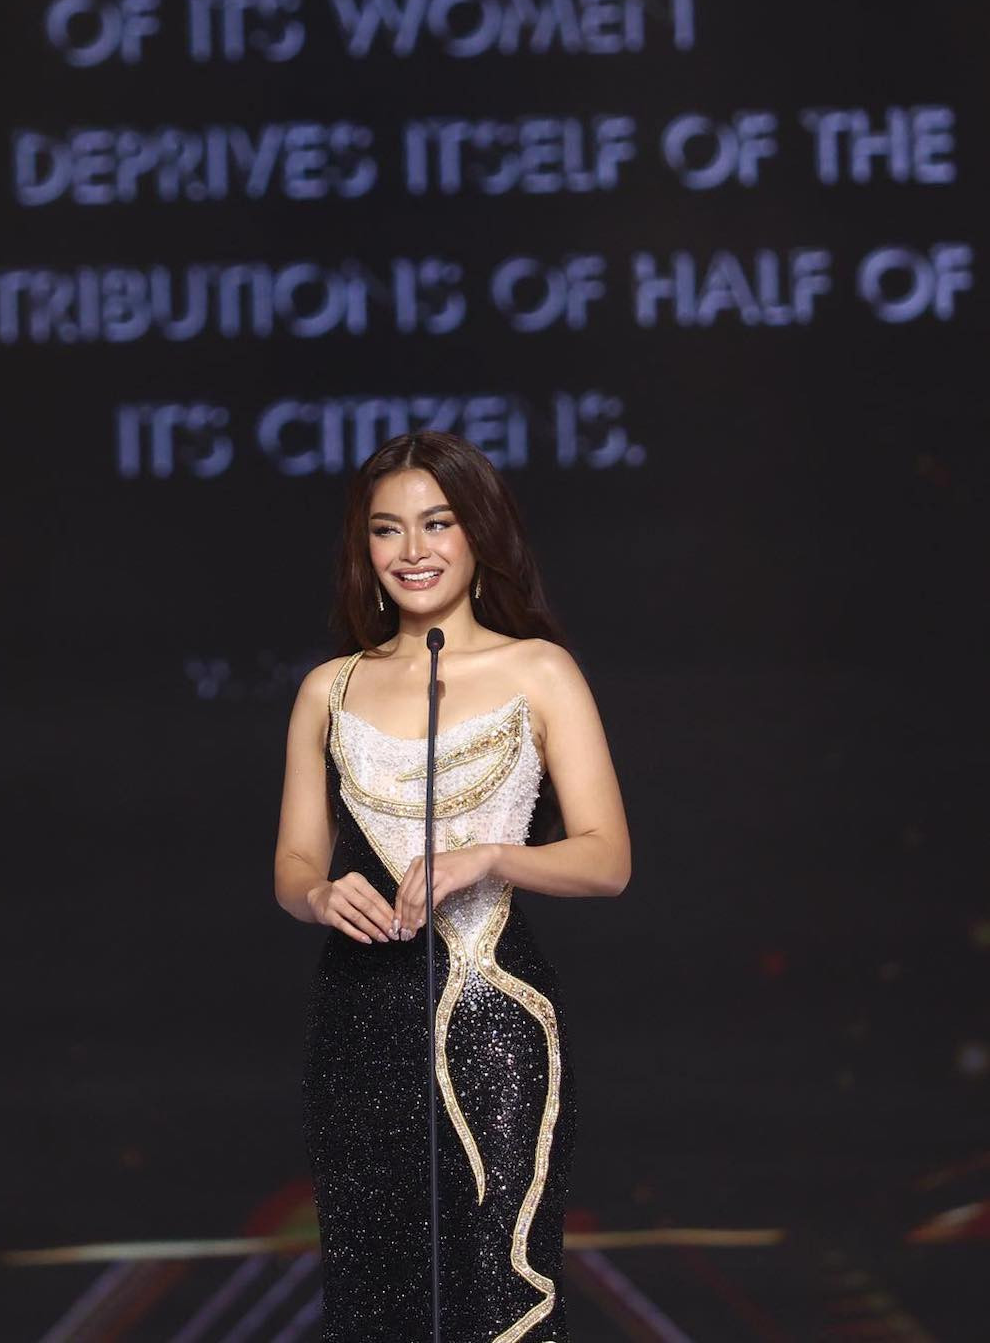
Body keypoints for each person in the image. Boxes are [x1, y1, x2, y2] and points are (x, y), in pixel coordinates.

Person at [274, 430, 631, 1343]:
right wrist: (319, 896)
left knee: (496, 1291)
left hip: (496, 1019)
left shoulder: (538, 670)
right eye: (386, 529)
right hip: (359, 1023)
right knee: (374, 1293)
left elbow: (606, 860)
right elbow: (294, 866)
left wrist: (490, 858)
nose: (412, 550)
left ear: (478, 532)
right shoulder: (328, 689)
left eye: (436, 523)